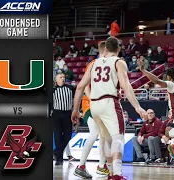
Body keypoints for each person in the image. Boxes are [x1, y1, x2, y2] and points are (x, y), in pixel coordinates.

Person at [71, 37, 146, 180]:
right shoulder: (119, 62)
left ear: (106, 49)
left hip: (94, 105)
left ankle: (110, 172)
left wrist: (75, 109)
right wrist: (137, 107)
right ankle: (117, 174)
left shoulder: (93, 64)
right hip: (109, 102)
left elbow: (80, 86)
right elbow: (125, 86)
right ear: (118, 49)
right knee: (118, 138)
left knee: (106, 139)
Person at [73, 41, 111, 178]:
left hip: (101, 104)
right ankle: (81, 165)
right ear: (106, 51)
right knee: (95, 133)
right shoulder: (93, 64)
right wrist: (93, 100)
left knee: (104, 135)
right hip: (90, 104)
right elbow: (86, 86)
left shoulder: (108, 65)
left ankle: (101, 166)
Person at [53, 73, 75, 165]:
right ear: (56, 80)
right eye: (60, 77)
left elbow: (75, 99)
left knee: (67, 136)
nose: (63, 79)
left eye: (63, 77)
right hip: (57, 114)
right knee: (58, 137)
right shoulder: (53, 90)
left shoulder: (70, 88)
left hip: (67, 114)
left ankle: (56, 152)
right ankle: (59, 159)